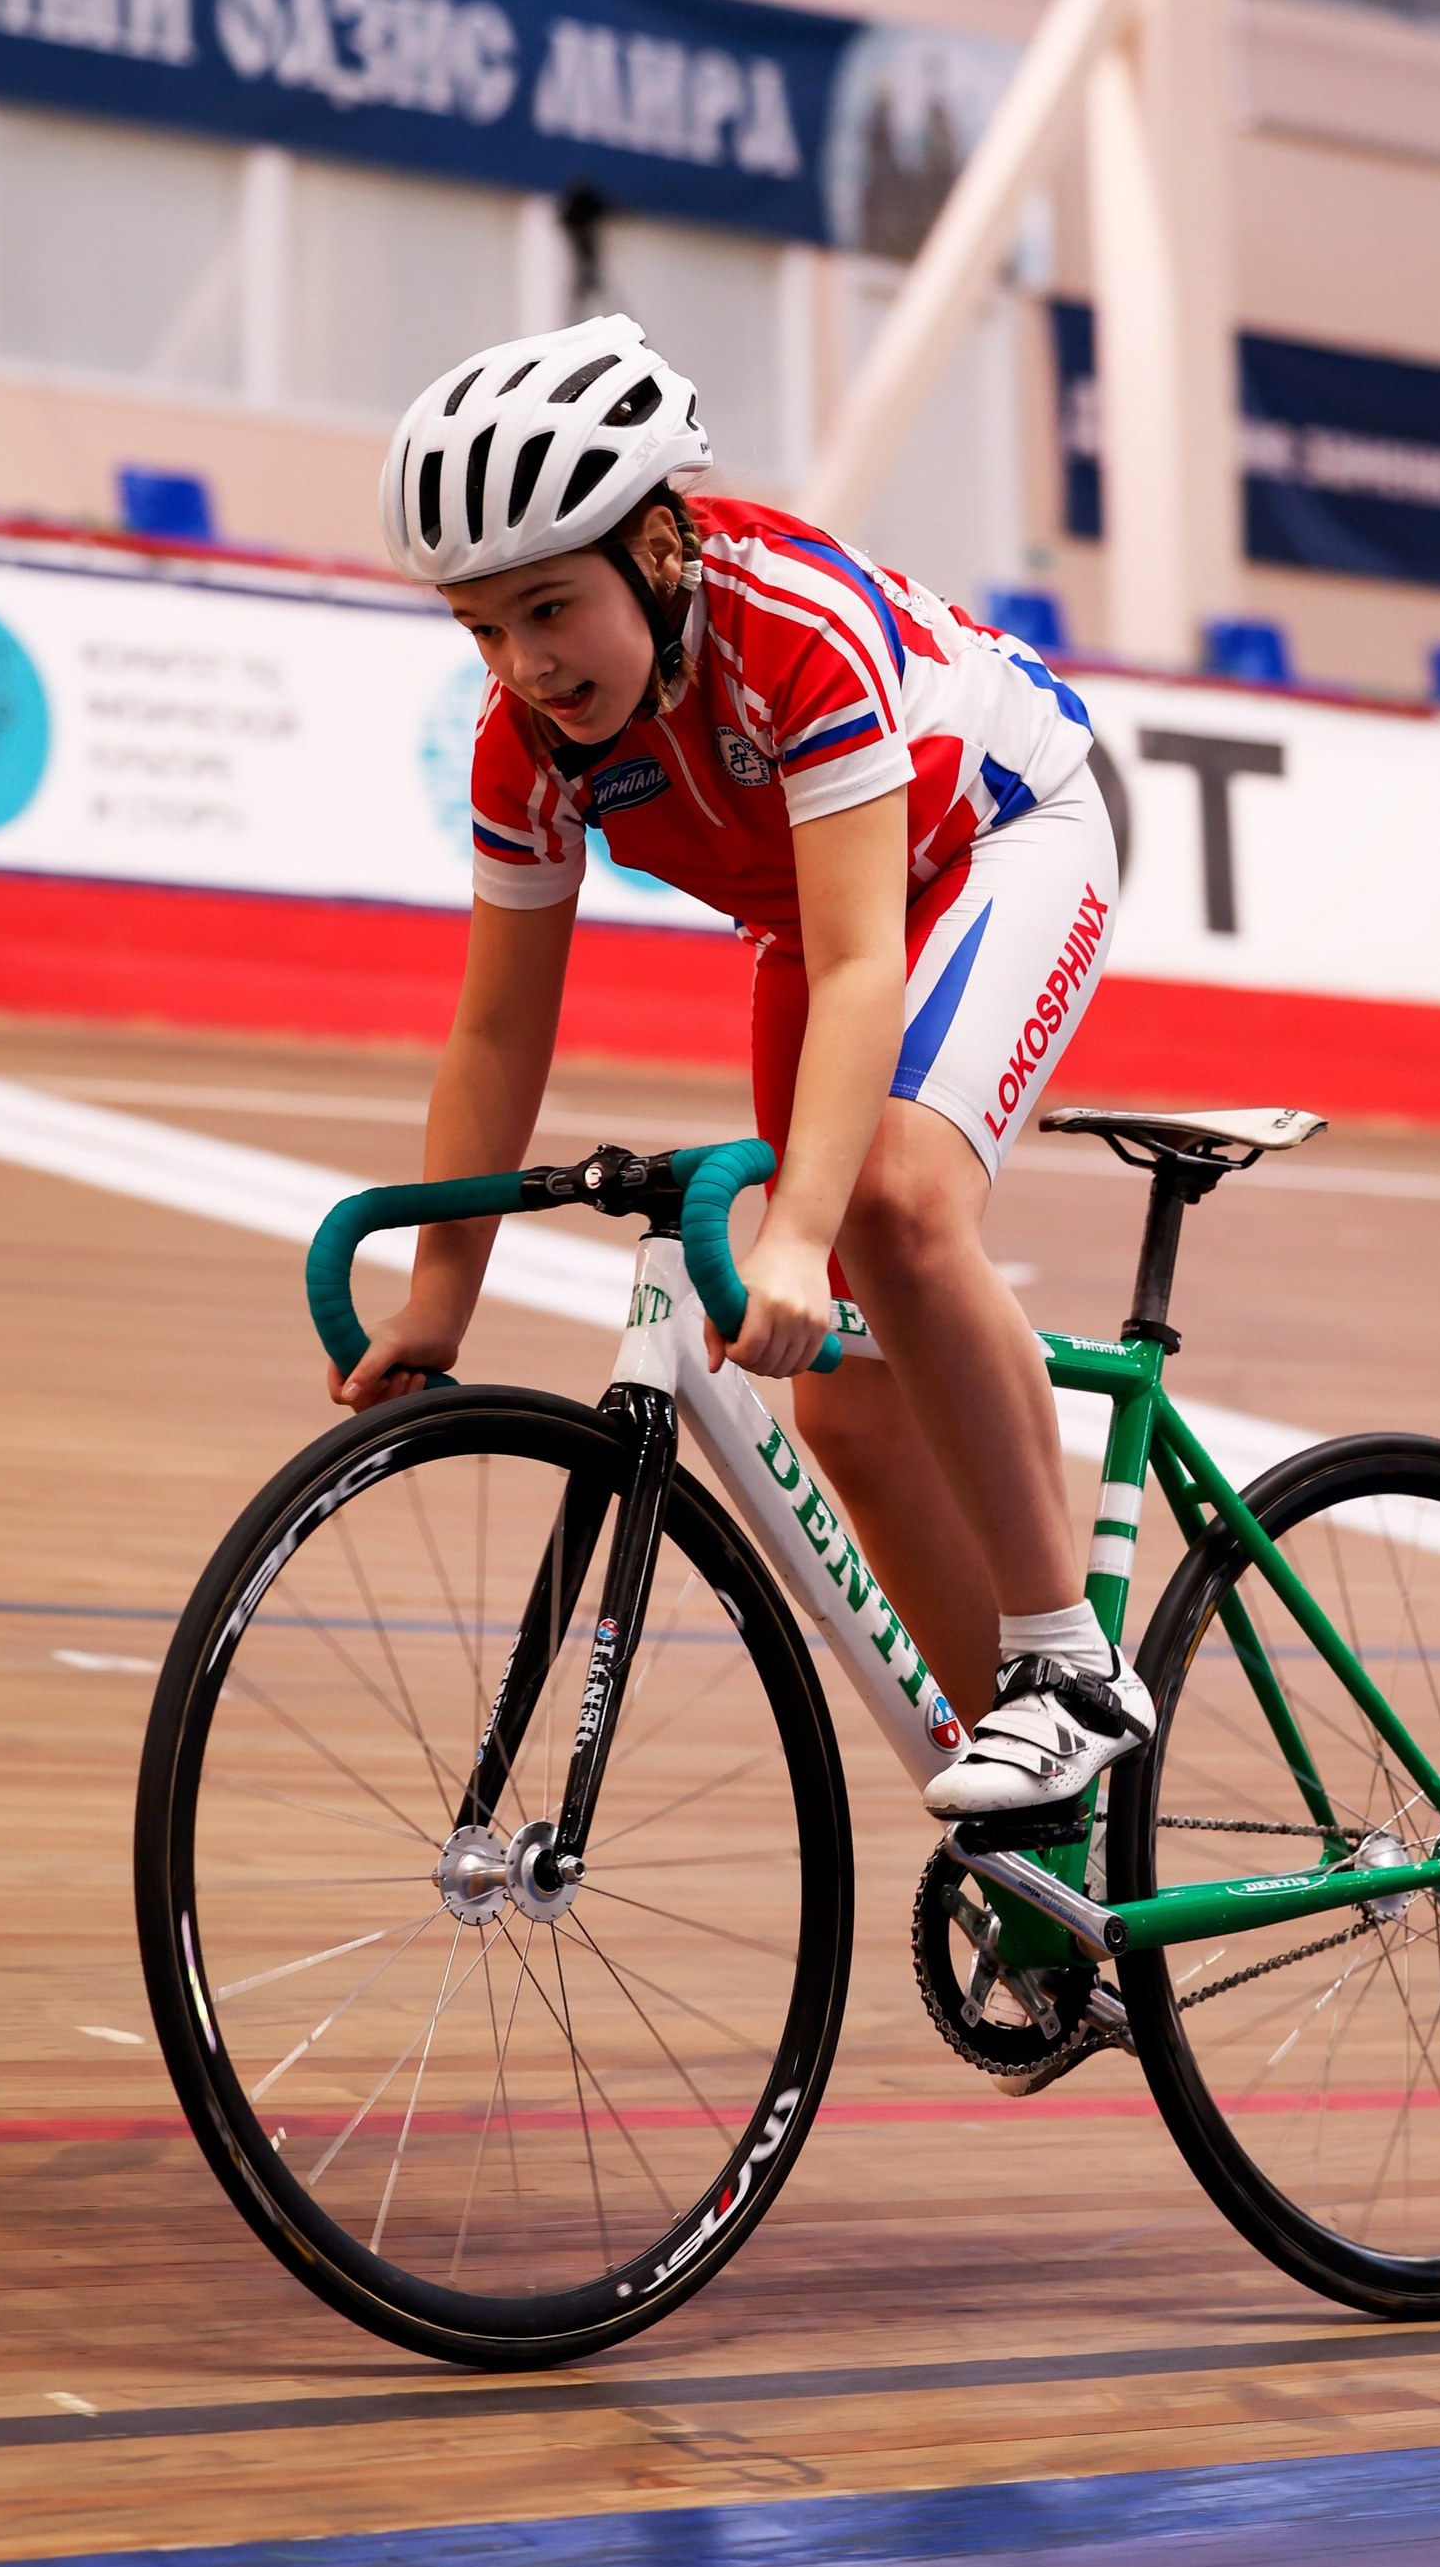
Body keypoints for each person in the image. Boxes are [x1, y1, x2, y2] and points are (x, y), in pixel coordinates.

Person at [334, 311, 1152, 1821]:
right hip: (819, 911)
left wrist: (797, 1235)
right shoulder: (525, 748)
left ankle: (1070, 1666)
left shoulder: (794, 630)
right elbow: (498, 1029)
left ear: (655, 546)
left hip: (1001, 837)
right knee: (840, 1398)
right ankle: (1047, 1840)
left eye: (548, 609)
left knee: (895, 1208)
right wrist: (441, 1292)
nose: (523, 665)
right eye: (481, 630)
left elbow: (862, 965)